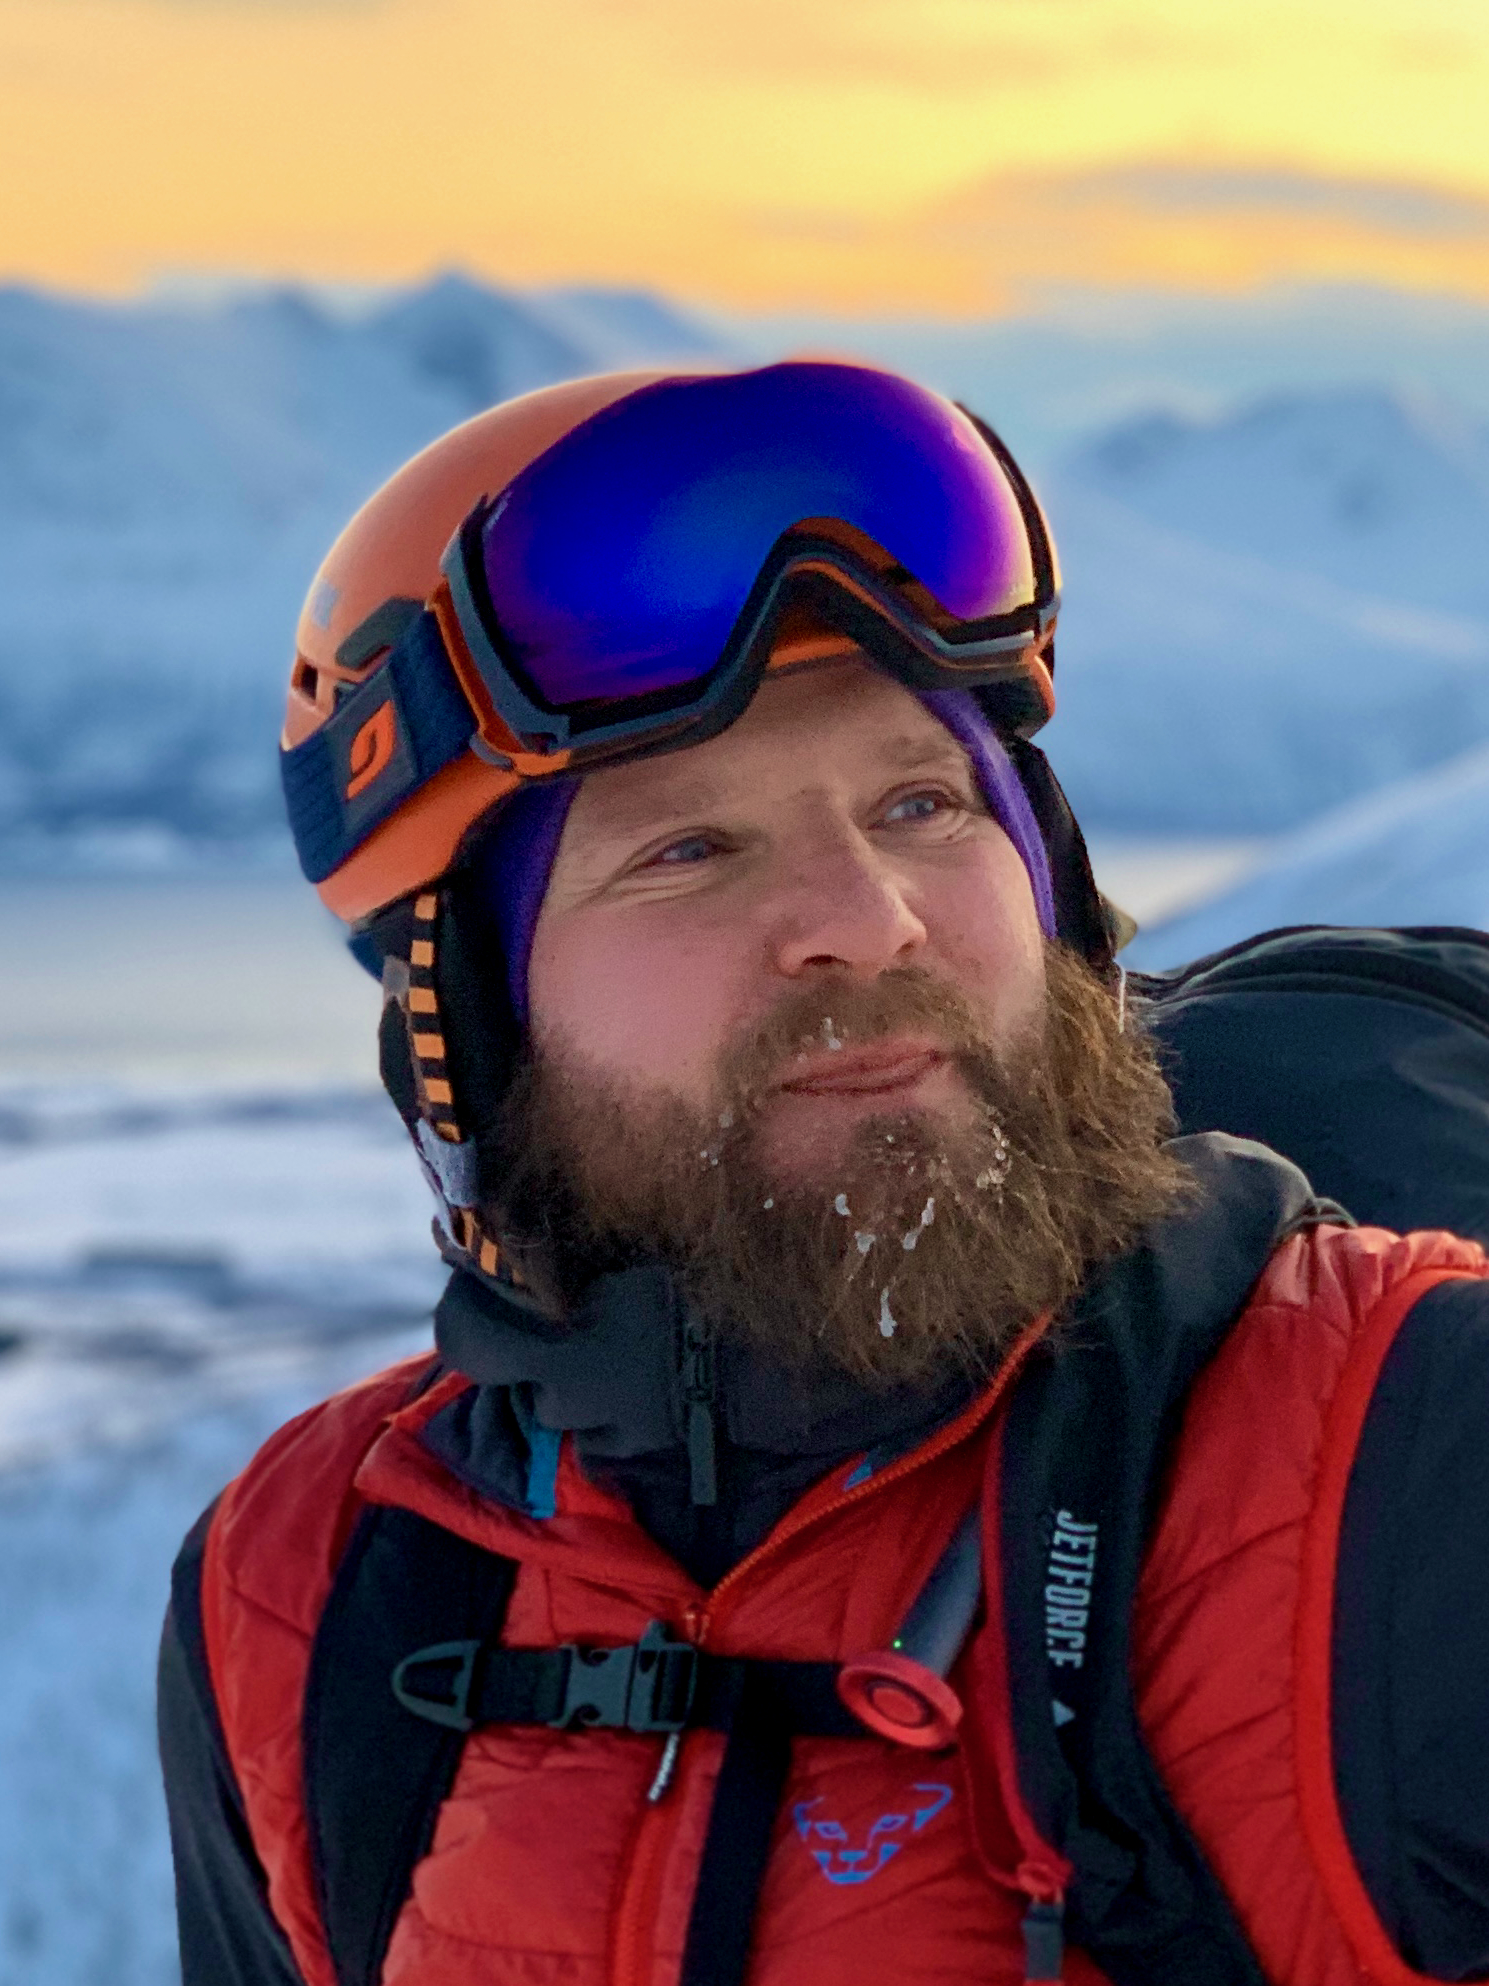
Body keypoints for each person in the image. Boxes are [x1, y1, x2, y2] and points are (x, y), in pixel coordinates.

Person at [158, 361, 1489, 1986]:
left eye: (922, 801)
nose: (867, 920)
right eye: (687, 848)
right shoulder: (311, 1587)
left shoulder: (1414, 1464)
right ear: (473, 1021)